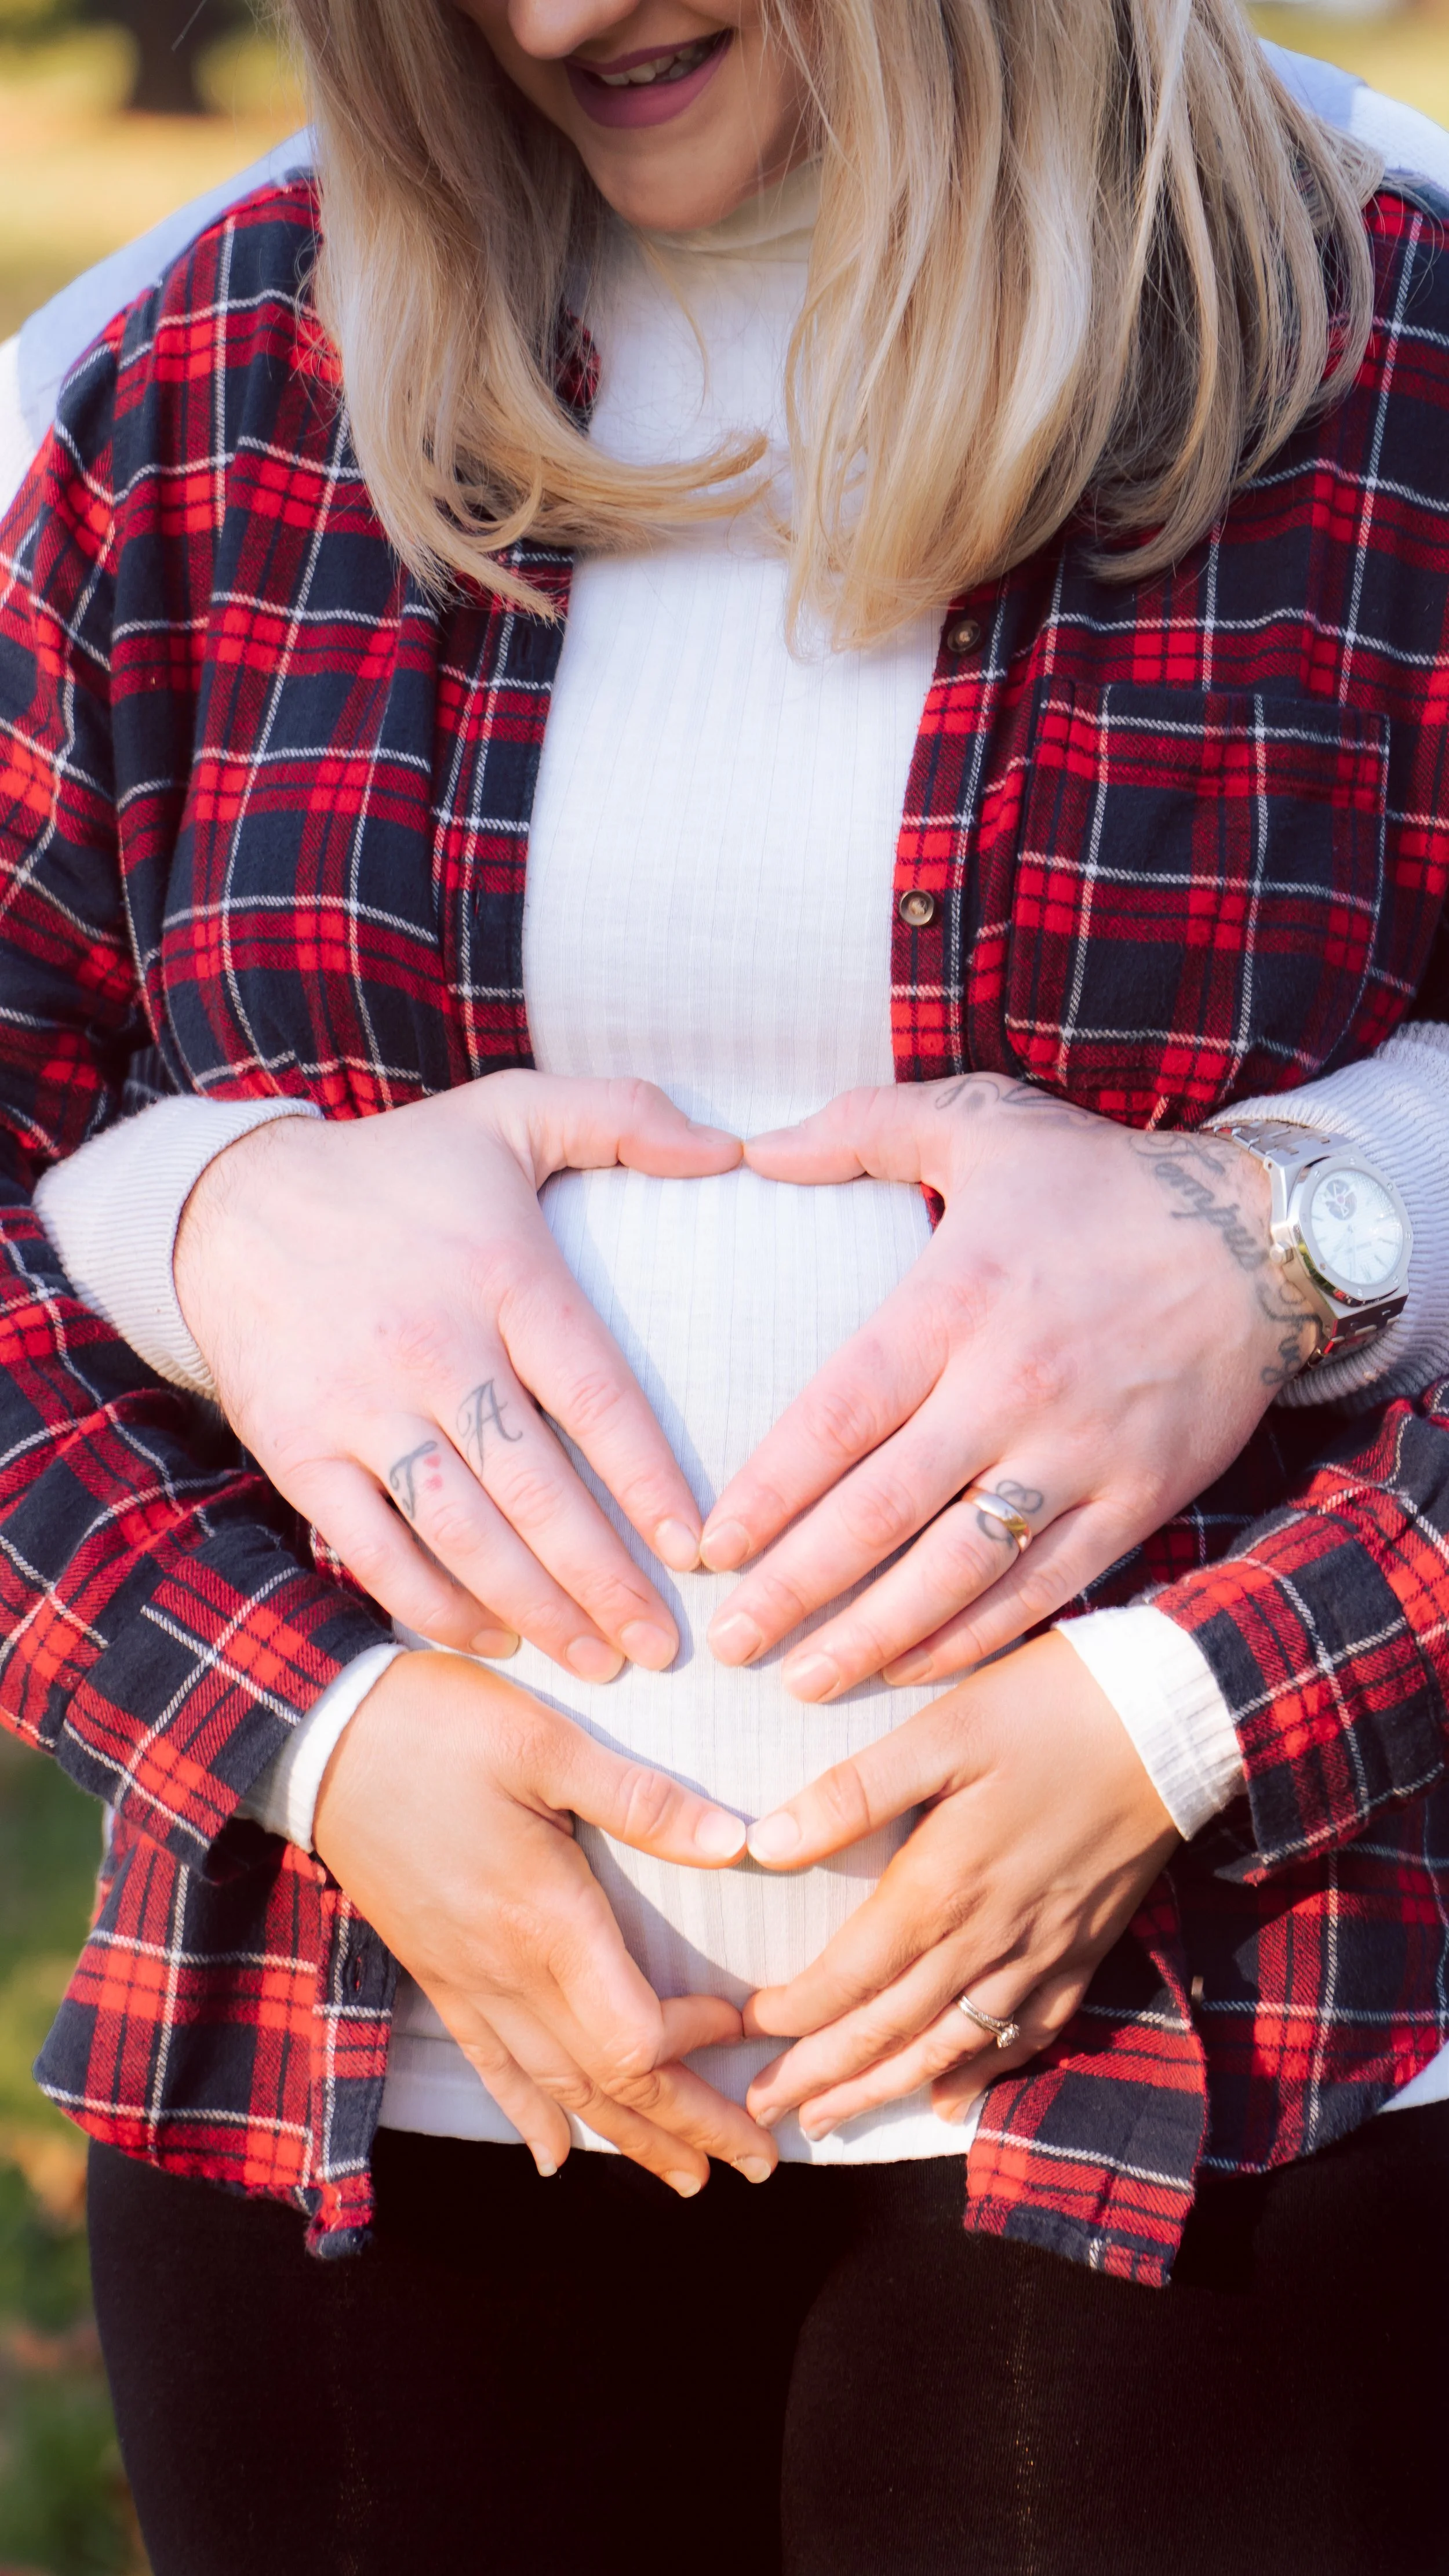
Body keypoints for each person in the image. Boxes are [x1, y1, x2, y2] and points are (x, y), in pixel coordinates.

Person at [2, 3, 1449, 2570]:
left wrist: (1187, 1700)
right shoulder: (178, 380)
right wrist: (327, 1737)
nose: (552, 17)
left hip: (1204, 2076)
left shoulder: (1384, 338)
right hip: (360, 2084)